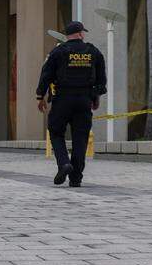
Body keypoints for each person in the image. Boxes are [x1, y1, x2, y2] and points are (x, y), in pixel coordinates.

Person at [37, 21, 107, 188]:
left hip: (62, 99)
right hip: (84, 100)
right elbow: (101, 79)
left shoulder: (58, 52)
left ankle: (64, 164)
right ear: (80, 34)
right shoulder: (93, 52)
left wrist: (40, 96)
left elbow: (46, 74)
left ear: (67, 35)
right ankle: (76, 177)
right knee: (80, 138)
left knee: (56, 132)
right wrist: (95, 96)